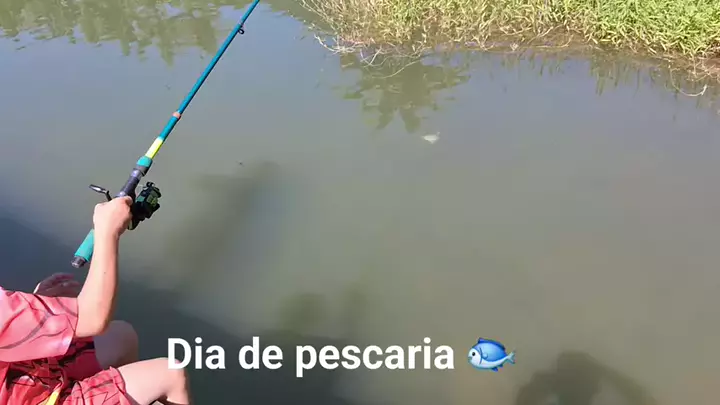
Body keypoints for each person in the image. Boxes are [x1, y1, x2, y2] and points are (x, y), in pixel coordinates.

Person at [0, 197, 192, 405]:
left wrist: (33, 308)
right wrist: (107, 231)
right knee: (171, 374)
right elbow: (93, 317)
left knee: (122, 337)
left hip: (17, 381)